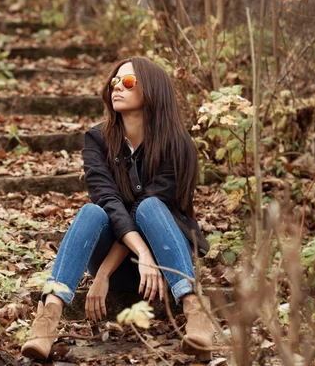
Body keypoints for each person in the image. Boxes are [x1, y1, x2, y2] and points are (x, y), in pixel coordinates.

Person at [20, 57, 218, 362]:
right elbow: (109, 203)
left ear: (152, 90)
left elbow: (149, 210)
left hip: (166, 264)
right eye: (114, 81)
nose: (117, 88)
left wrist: (142, 260)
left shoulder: (178, 145)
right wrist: (109, 270)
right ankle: (47, 318)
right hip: (129, 265)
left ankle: (195, 311)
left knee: (150, 207)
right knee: (91, 212)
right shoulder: (97, 140)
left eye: (127, 82)